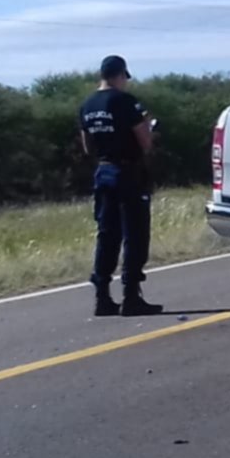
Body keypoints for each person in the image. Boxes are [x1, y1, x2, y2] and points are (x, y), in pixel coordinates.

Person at [78, 55, 163, 317]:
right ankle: (131, 296)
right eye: (125, 77)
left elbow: (87, 146)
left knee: (107, 234)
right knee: (135, 234)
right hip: (128, 172)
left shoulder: (87, 105)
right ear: (120, 75)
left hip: (104, 171)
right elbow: (145, 142)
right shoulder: (125, 101)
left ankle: (102, 296)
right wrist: (148, 128)